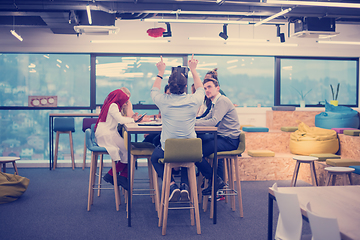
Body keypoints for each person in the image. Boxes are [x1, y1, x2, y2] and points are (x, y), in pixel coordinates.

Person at [150, 54, 204, 202]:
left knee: (154, 158)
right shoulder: (194, 100)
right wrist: (193, 69)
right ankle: (185, 186)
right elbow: (200, 89)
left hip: (169, 150)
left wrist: (161, 71)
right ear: (186, 87)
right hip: (191, 150)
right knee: (186, 158)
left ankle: (172, 185)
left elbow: (154, 91)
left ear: (170, 86)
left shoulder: (163, 100)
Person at [195, 77, 241, 196]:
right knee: (197, 145)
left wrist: (191, 123)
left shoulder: (222, 101)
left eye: (209, 87)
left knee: (194, 153)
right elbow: (206, 118)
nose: (206, 90)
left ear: (217, 88)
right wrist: (192, 121)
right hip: (222, 137)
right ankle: (215, 181)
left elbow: (213, 121)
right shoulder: (215, 102)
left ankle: (215, 181)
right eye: (205, 88)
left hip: (229, 140)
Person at [95, 87, 143, 190]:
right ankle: (113, 174)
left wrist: (131, 117)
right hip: (107, 134)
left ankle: (119, 176)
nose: (126, 103)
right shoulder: (113, 106)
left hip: (109, 132)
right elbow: (120, 120)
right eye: (125, 101)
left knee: (128, 151)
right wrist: (133, 120)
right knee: (128, 151)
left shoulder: (113, 104)